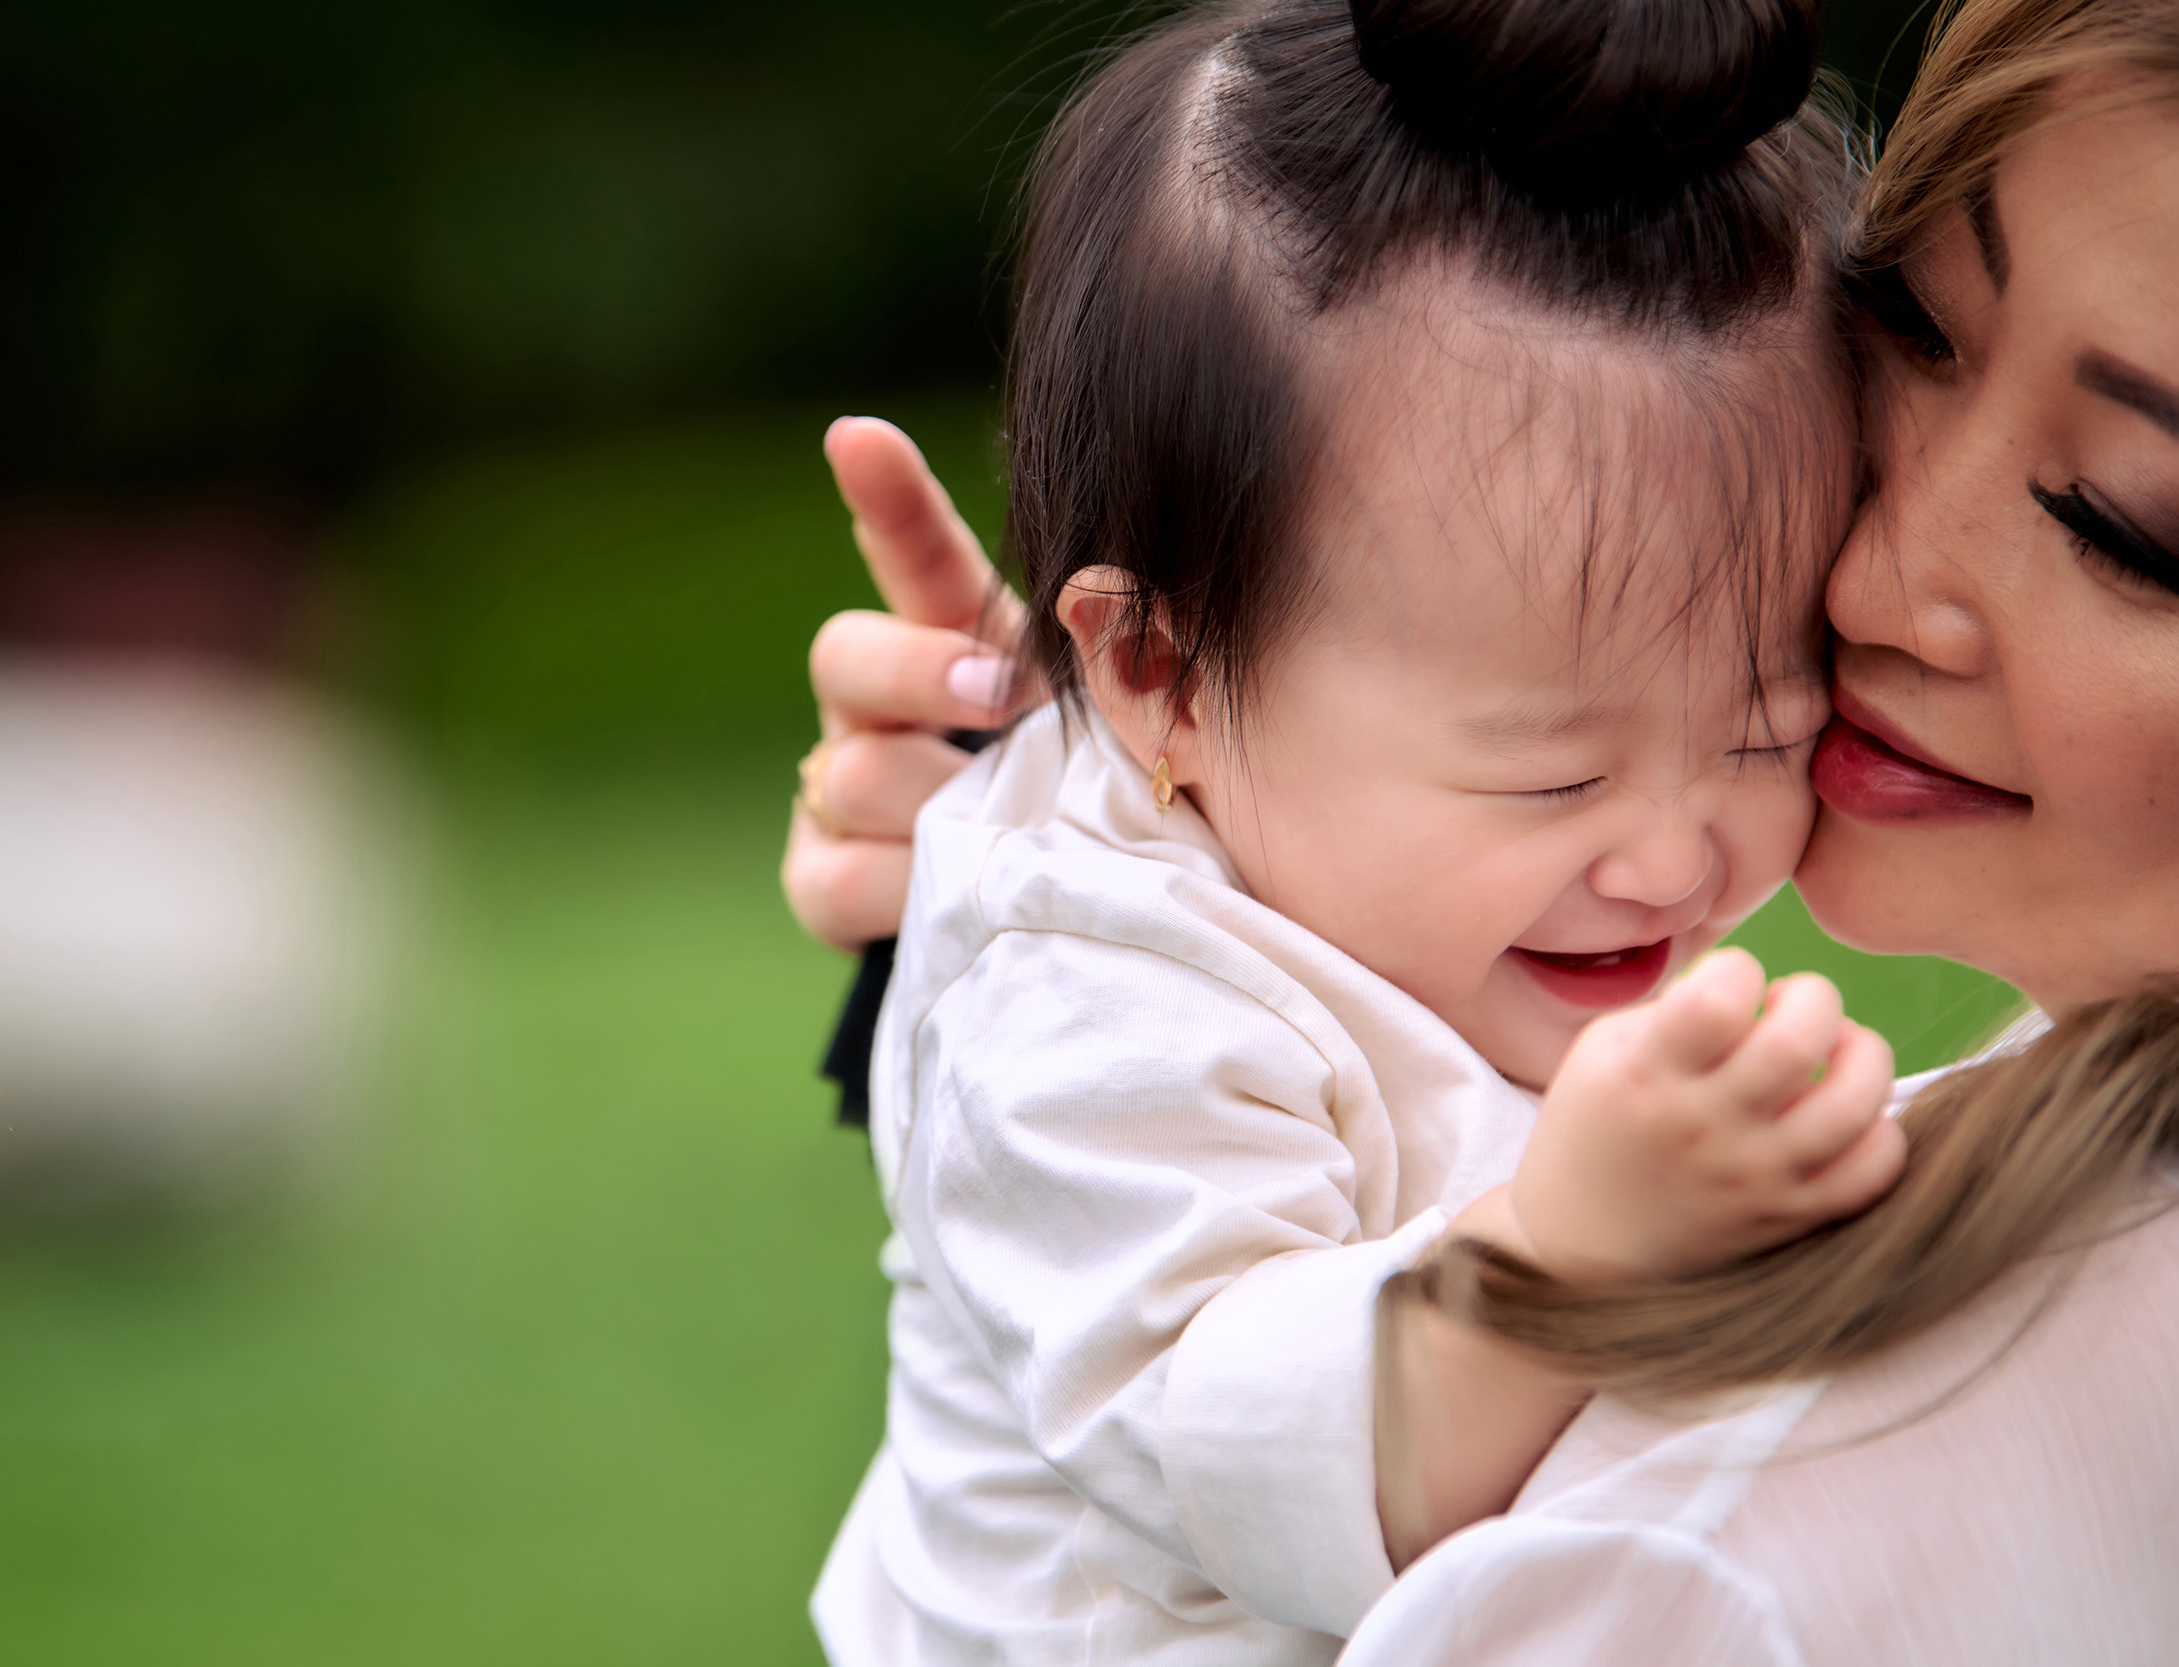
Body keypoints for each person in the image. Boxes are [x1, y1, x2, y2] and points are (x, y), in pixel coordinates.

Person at [789, 0, 2179, 1657]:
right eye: (1919, 338)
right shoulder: (1098, 987)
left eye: (1758, 725)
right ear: (1161, 671)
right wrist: (1563, 1262)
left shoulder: (1760, 1543)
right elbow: (1213, 1435)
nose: (1676, 864)